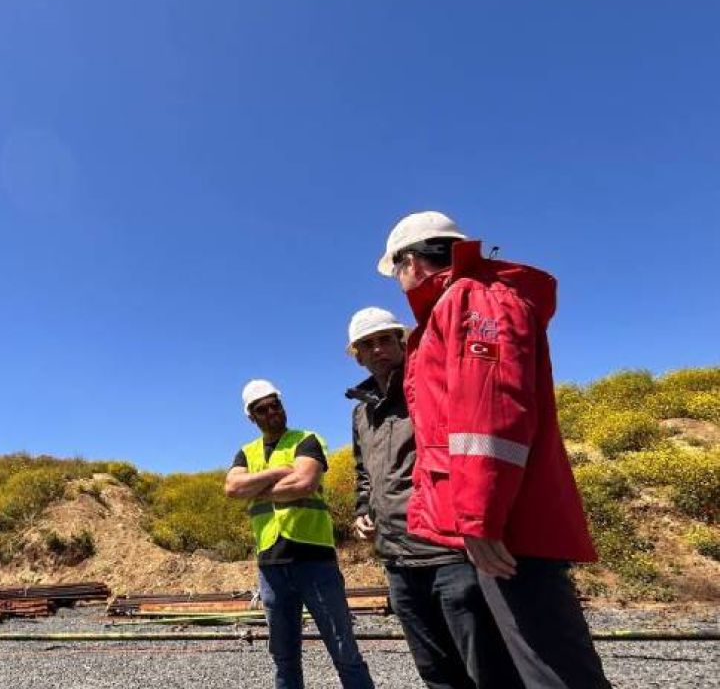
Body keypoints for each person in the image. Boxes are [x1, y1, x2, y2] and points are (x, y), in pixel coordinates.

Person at [377, 211, 610, 688]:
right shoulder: (461, 301)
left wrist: (480, 519)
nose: (397, 284)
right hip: (500, 522)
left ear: (410, 262)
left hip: (507, 528)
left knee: (553, 674)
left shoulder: (471, 298)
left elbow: (489, 413)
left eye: (396, 271)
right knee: (528, 667)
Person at [346, 306, 523, 689]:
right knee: (436, 674)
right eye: (367, 344)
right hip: (398, 562)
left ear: (401, 342)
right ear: (356, 354)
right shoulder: (362, 413)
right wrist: (364, 508)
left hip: (449, 554)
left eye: (385, 340)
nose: (378, 350)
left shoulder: (431, 385)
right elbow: (364, 472)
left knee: (488, 669)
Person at [224, 379, 374, 689]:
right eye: (261, 409)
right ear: (251, 417)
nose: (271, 412)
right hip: (271, 566)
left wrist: (258, 489)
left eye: (274, 404)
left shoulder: (307, 440)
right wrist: (280, 472)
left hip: (314, 560)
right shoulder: (246, 452)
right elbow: (232, 488)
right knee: (284, 656)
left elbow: (303, 484)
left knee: (343, 649)